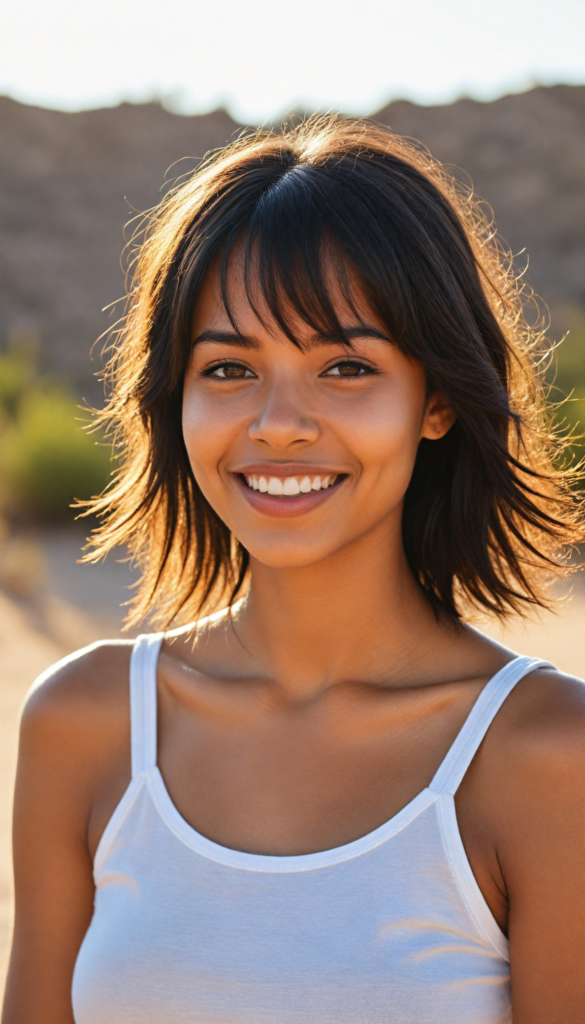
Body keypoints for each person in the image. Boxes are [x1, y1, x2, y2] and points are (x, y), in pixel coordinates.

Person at [3, 117, 585, 1024]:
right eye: (229, 367)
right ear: (175, 398)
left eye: (345, 366)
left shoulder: (547, 753)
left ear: (434, 402)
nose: (278, 423)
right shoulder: (82, 724)